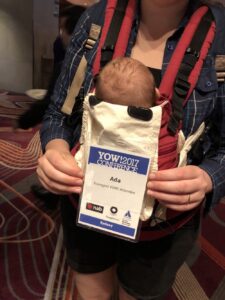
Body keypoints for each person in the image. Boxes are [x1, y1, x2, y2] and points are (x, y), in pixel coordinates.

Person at [37, 1, 225, 300]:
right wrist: (55, 149)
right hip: (87, 206)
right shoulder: (96, 20)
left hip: (165, 225)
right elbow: (59, 115)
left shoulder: (220, 37)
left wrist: (207, 177)